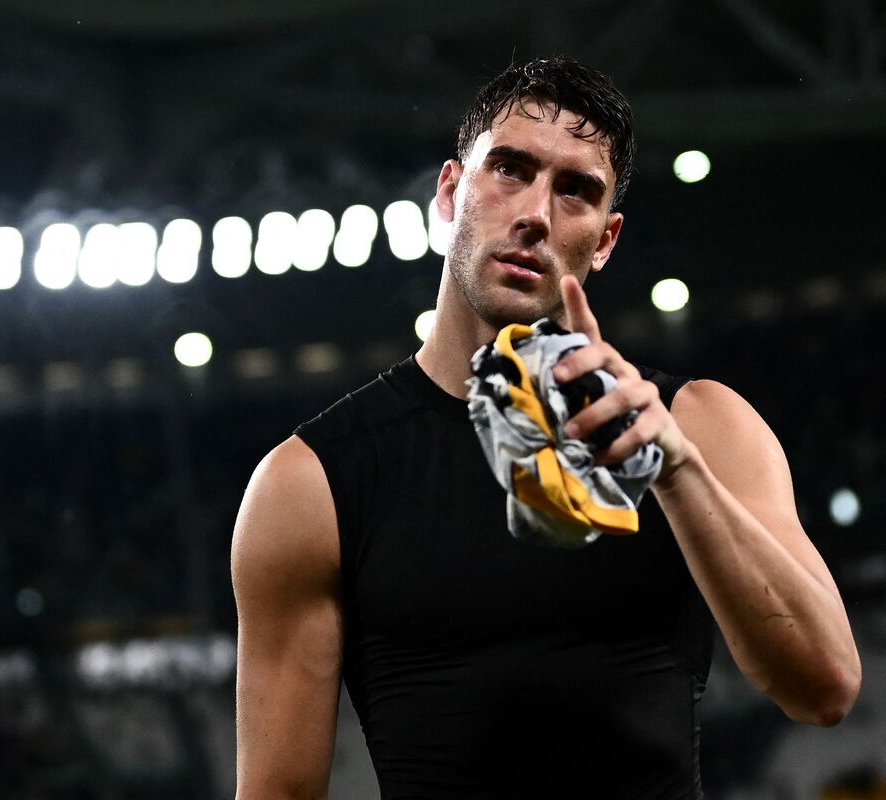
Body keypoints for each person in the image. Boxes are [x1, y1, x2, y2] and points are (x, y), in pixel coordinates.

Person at [231, 56, 861, 799]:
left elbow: (825, 687)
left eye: (575, 190)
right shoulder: (310, 483)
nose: (535, 212)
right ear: (449, 194)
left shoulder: (699, 425)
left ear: (606, 239)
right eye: (509, 169)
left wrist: (677, 471)